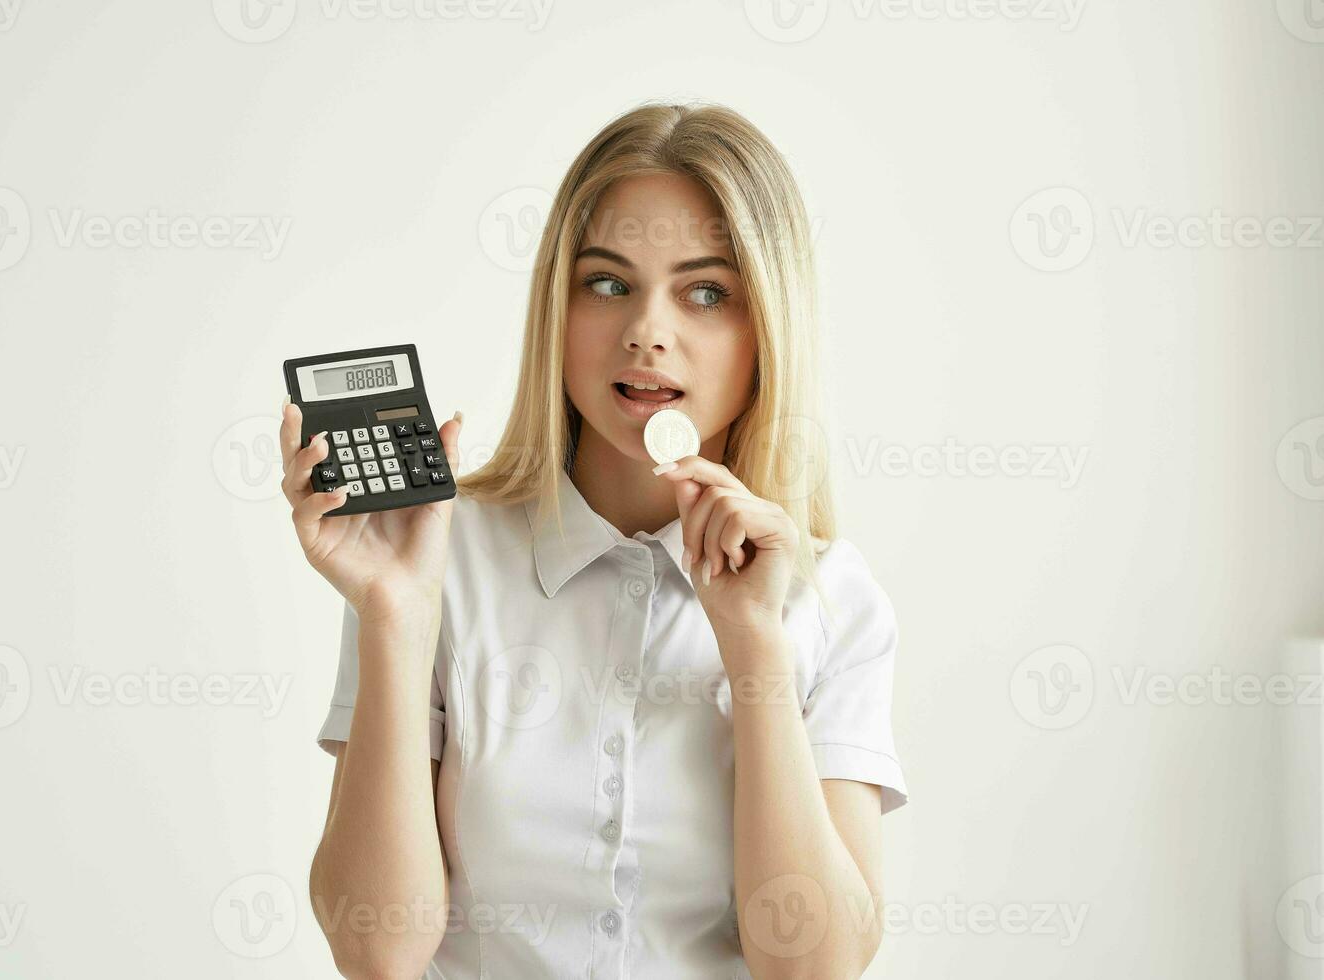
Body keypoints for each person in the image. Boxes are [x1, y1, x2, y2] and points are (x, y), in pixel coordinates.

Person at [278, 100, 908, 979]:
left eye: (707, 292)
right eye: (607, 282)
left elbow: (815, 965)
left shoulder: (829, 598)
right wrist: (397, 614)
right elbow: (374, 947)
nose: (648, 329)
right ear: (557, 309)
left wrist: (753, 645)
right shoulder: (432, 558)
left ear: (767, 326)